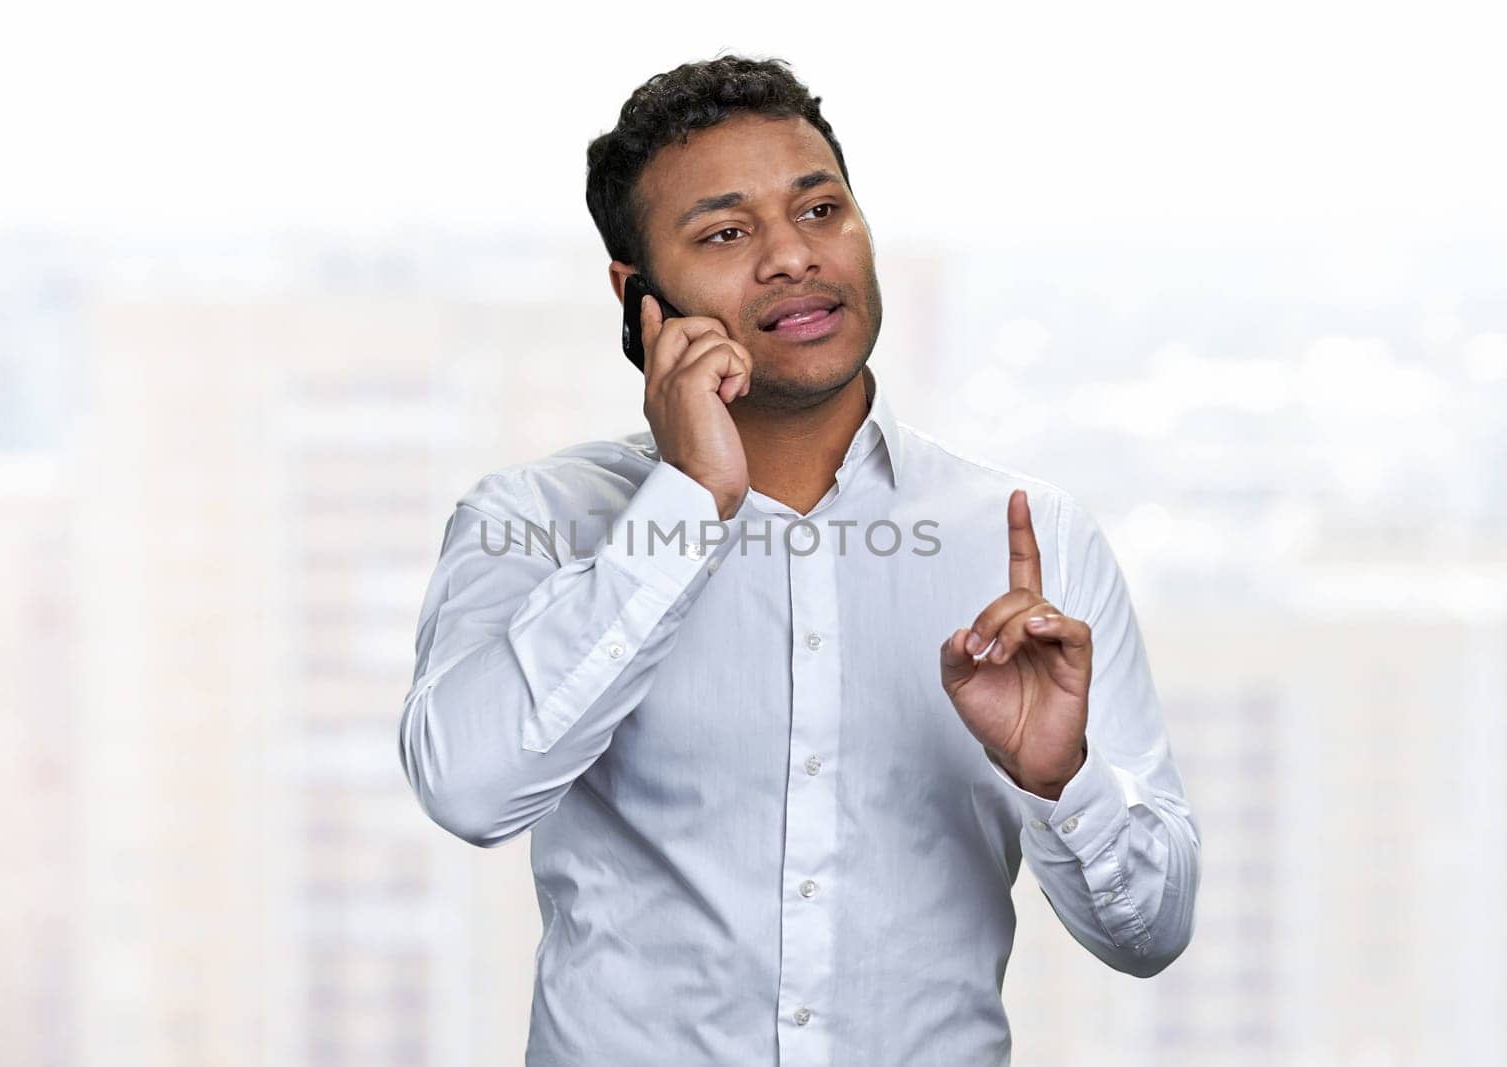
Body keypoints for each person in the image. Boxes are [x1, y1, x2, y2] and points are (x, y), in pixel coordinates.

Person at [399, 53, 1201, 1066]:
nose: (791, 257)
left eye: (820, 210)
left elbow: (1149, 935)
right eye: (726, 233)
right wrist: (688, 501)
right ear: (636, 292)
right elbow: (469, 791)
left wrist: (1061, 778)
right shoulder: (537, 518)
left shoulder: (1024, 536)